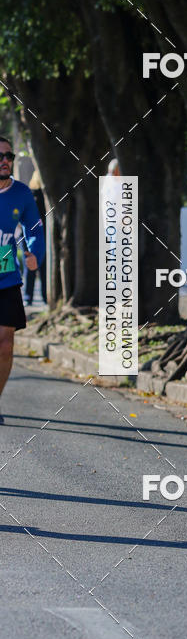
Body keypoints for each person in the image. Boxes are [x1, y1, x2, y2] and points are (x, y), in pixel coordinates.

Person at [0, 136, 45, 424]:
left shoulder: (22, 193)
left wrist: (34, 254)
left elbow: (34, 229)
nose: (5, 160)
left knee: (5, 342)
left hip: (6, 277)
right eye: (0, 156)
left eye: (8, 156)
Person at [24, 170, 47, 305]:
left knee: (31, 266)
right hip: (39, 234)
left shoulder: (30, 196)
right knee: (40, 266)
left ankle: (29, 297)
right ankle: (42, 296)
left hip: (30, 235)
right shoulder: (37, 196)